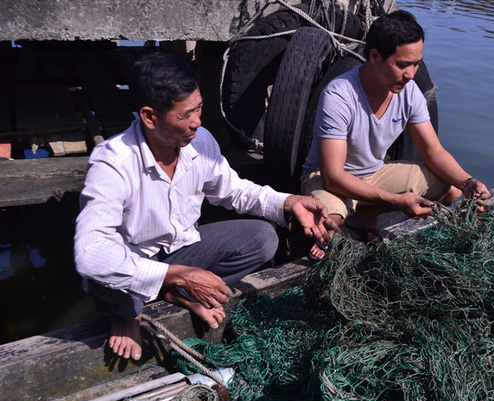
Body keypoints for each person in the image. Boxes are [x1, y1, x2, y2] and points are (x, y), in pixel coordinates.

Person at [74, 52, 336, 361]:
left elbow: (234, 191)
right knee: (102, 276)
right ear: (149, 117)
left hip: (180, 250)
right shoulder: (113, 162)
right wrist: (178, 274)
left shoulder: (200, 141)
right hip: (134, 261)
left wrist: (288, 202)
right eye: (185, 115)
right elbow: (90, 254)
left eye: (199, 108)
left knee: (262, 238)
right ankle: (129, 313)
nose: (197, 122)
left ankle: (173, 293)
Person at [300, 10, 490, 260]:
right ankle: (353, 219)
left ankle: (367, 214)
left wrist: (468, 182)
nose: (411, 74)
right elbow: (333, 176)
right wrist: (396, 201)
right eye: (402, 65)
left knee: (451, 188)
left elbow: (434, 152)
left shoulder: (409, 92)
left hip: (375, 172)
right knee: (330, 225)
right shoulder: (339, 95)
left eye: (416, 64)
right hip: (328, 179)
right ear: (375, 56)